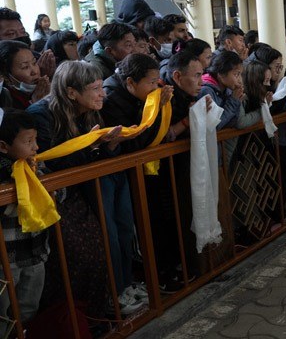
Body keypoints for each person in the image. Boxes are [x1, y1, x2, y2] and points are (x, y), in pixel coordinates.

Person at [27, 61, 127, 319]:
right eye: (95, 88)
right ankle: (74, 320)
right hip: (52, 197)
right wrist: (91, 146)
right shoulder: (41, 115)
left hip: (78, 194)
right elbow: (50, 163)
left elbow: (97, 155)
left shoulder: (90, 111)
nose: (102, 93)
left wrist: (111, 145)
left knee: (97, 249)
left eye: (101, 87)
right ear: (72, 93)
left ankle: (96, 314)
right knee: (74, 257)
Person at [100, 53, 173, 312]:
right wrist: (152, 111)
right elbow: (137, 142)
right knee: (119, 234)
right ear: (130, 82)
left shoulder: (135, 96)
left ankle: (128, 284)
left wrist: (159, 108)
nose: (156, 88)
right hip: (114, 175)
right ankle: (119, 289)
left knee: (126, 230)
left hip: (128, 175)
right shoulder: (112, 100)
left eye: (157, 82)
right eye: (151, 83)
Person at [0, 109, 49, 326]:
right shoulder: (3, 173)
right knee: (3, 310)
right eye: (28, 141)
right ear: (3, 146)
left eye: (35, 139)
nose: (35, 147)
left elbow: (54, 192)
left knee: (29, 306)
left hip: (35, 248)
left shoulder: (36, 164)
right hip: (7, 257)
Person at [198, 50, 243, 130]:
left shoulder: (227, 89)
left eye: (240, 74)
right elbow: (214, 126)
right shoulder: (206, 91)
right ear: (221, 74)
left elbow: (234, 121)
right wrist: (233, 100)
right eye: (236, 74)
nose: (240, 80)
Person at [0, 40, 50, 109]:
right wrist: (35, 104)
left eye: (34, 63)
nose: (34, 72)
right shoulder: (5, 101)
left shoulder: (45, 89)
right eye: (25, 67)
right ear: (5, 76)